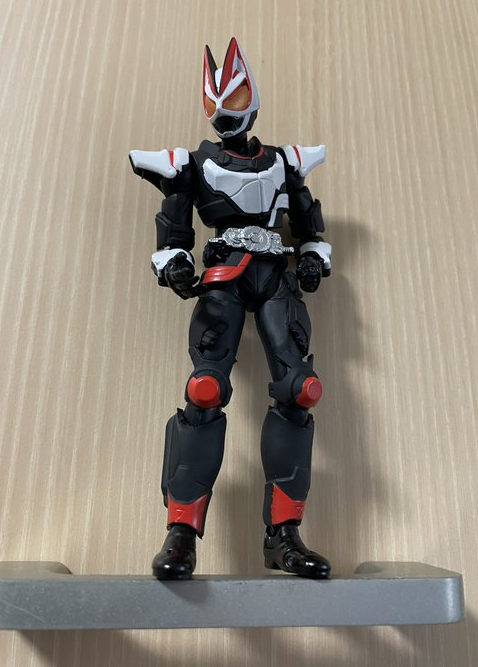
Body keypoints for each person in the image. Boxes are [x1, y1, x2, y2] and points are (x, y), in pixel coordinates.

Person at [129, 38, 332, 580]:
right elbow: (174, 227)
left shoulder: (284, 162)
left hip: (276, 278)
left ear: (253, 99)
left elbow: (308, 223)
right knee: (205, 390)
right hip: (222, 278)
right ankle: (181, 532)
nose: (225, 113)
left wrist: (313, 255)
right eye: (215, 103)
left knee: (301, 389)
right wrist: (174, 262)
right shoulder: (192, 164)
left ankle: (284, 535)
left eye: (236, 98)